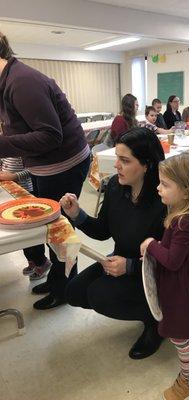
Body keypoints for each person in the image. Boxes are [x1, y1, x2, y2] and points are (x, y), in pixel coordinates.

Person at [0, 32, 90, 310]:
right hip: (46, 166)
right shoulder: (9, 80)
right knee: (49, 228)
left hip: (64, 166)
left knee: (60, 228)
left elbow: (50, 136)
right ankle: (57, 281)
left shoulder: (22, 81)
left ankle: (66, 290)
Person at [60, 128, 167, 360]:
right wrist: (77, 214)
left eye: (125, 160)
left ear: (147, 164)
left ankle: (156, 322)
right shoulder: (116, 188)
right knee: (74, 292)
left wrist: (129, 266)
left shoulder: (164, 201)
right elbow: (103, 231)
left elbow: (171, 262)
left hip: (154, 274)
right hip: (118, 261)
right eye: (117, 157)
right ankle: (142, 308)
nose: (116, 165)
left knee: (100, 296)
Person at [140, 151, 189, 400]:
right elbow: (173, 252)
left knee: (179, 335)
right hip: (186, 282)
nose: (158, 188)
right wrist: (157, 251)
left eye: (165, 184)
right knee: (186, 327)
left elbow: (172, 261)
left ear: (187, 191)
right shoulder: (185, 215)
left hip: (182, 287)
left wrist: (151, 245)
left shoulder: (184, 222)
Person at [0, 157, 52, 280]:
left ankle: (42, 262)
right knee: (21, 231)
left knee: (31, 232)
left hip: (26, 191)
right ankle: (31, 261)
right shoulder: (6, 143)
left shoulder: (23, 144)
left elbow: (31, 170)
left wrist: (14, 176)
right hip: (11, 189)